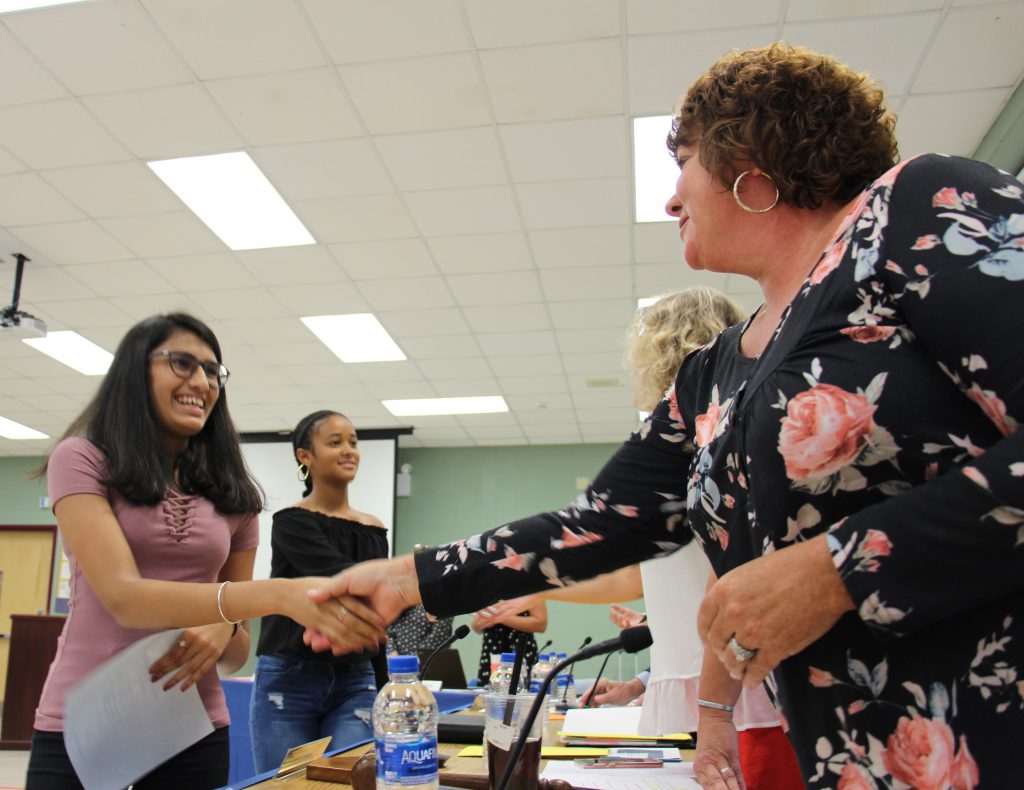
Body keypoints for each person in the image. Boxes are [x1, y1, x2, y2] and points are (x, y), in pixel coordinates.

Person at [310, 43, 1023, 790]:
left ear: (750, 163)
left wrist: (837, 569)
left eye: (683, 165)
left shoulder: (912, 207)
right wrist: (414, 576)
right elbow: (602, 521)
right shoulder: (715, 371)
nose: (671, 200)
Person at [25, 313, 384, 790]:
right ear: (136, 370)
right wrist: (267, 597)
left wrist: (223, 625)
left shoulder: (235, 494)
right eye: (182, 363)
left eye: (213, 372)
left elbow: (235, 654)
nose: (202, 381)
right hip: (86, 721)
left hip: (193, 728)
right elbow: (123, 597)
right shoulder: (83, 458)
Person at [487, 290, 802, 790]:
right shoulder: (685, 448)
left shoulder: (722, 440)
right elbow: (637, 571)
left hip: (746, 696)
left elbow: (733, 575)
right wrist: (541, 590)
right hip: (713, 688)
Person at [249, 410, 390, 773]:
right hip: (290, 677)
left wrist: (383, 686)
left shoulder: (373, 529)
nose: (349, 451)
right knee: (287, 783)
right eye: (335, 442)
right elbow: (347, 582)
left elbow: (378, 611)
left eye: (353, 443)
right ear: (304, 456)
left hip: (356, 677)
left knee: (351, 780)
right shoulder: (291, 522)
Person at [471, 599, 548, 687]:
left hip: (520, 652)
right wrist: (482, 621)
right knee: (487, 693)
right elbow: (475, 626)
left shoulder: (530, 587)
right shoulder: (490, 588)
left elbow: (541, 623)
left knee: (520, 690)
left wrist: (500, 617)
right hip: (492, 653)